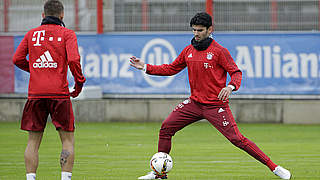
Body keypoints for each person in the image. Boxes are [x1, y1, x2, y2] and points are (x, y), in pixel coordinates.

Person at [130, 12, 291, 180]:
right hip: (194, 104)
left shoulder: (219, 51)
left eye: (200, 30)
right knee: (166, 128)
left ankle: (275, 168)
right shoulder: (188, 50)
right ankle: (159, 174)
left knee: (237, 139)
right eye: (194, 30)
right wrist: (145, 67)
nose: (196, 33)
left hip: (216, 106)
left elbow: (236, 72)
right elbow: (171, 68)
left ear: (209, 29)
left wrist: (230, 86)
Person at [12, 0, 86, 180]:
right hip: (59, 94)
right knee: (67, 140)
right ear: (62, 16)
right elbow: (74, 60)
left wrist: (37, 69)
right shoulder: (67, 34)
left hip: (35, 94)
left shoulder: (32, 34)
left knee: (33, 141)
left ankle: (30, 178)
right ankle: (65, 178)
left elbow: (17, 59)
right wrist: (79, 83)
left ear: (43, 15)